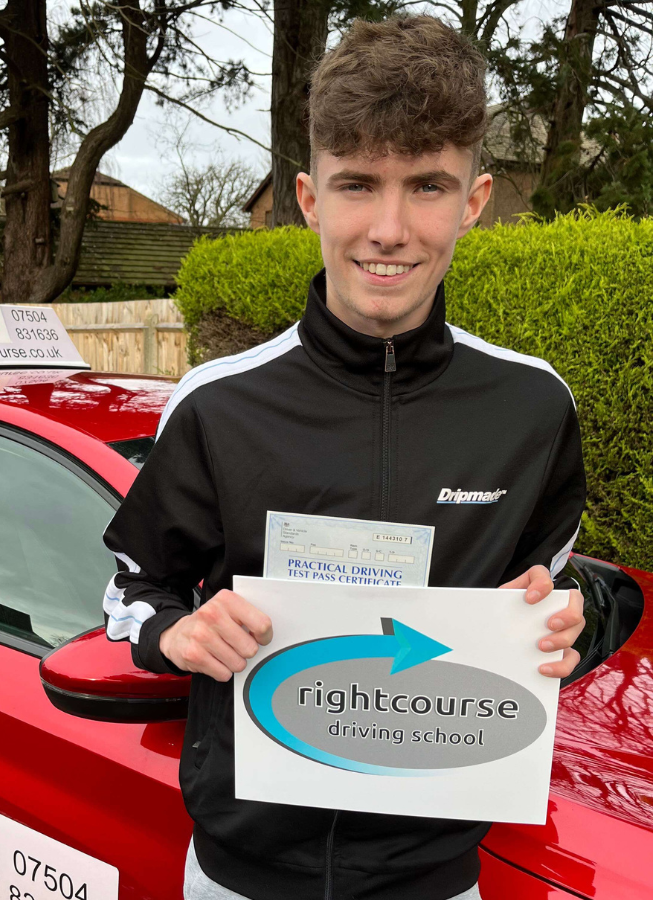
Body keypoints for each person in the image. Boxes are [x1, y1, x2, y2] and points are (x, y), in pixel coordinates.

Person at [102, 13, 587, 900]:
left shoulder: (532, 407)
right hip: (238, 876)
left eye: (429, 186)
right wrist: (178, 632)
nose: (390, 228)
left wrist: (568, 616)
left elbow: (559, 591)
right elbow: (131, 595)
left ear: (474, 202)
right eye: (359, 184)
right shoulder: (217, 403)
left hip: (436, 881)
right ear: (309, 197)